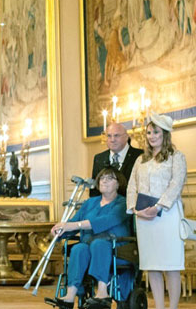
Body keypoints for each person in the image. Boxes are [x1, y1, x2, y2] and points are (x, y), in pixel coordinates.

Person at [44, 167, 131, 309]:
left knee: (99, 244)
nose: (104, 181)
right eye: (102, 178)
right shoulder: (90, 203)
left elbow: (105, 221)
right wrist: (60, 231)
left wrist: (73, 225)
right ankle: (70, 295)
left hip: (115, 248)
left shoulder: (123, 203)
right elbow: (72, 224)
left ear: (118, 183)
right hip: (89, 246)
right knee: (79, 248)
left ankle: (103, 292)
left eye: (110, 178)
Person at [126, 113, 187, 309]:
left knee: (171, 265)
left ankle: (173, 307)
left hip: (167, 216)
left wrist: (158, 206)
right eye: (149, 132)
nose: (152, 136)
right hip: (144, 218)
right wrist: (135, 210)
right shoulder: (141, 160)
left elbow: (176, 184)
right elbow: (131, 186)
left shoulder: (176, 157)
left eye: (156, 132)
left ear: (165, 134)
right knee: (151, 265)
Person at [90, 123, 143, 197]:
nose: (112, 140)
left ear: (126, 137)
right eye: (109, 136)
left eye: (116, 135)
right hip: (106, 207)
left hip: (132, 206)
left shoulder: (140, 156)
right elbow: (94, 190)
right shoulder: (99, 158)